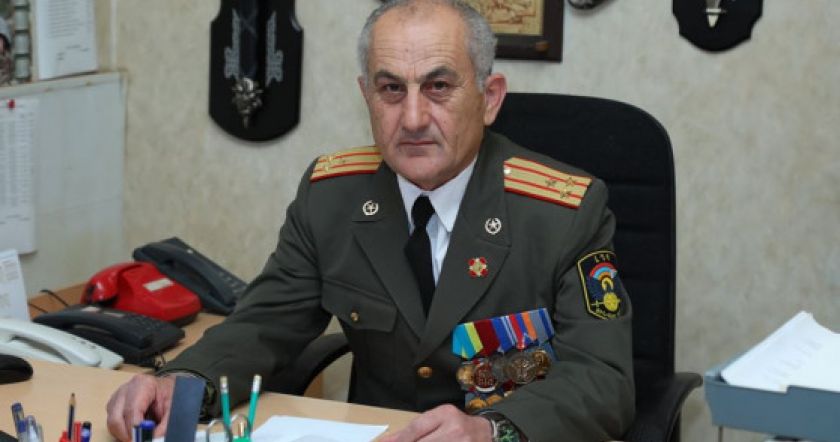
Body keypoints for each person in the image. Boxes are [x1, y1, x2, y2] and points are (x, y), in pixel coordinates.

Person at [106, 1, 634, 440]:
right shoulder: (331, 196)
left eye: (438, 86)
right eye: (391, 89)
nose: (413, 118)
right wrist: (183, 381)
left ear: (489, 98)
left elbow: (603, 381)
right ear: (366, 96)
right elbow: (264, 322)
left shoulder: (562, 211)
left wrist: (491, 430)